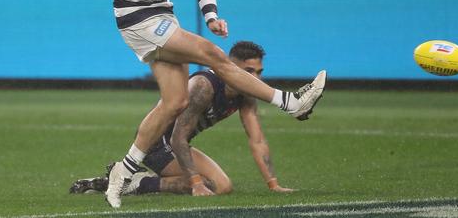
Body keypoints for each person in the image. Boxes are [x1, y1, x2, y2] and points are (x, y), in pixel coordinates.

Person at [15, 0, 326, 208]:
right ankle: (290, 103)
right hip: (136, 22)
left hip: (162, 17)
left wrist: (212, 16)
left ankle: (125, 172)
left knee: (175, 102)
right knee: (214, 55)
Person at [70, 41, 294, 196]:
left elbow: (257, 140)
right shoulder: (204, 86)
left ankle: (132, 179)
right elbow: (177, 138)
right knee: (217, 185)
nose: (256, 78)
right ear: (232, 67)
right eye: (249, 71)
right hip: (157, 143)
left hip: (177, 143)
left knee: (219, 186)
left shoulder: (246, 94)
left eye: (259, 71)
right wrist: (195, 183)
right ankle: (138, 183)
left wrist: (273, 185)